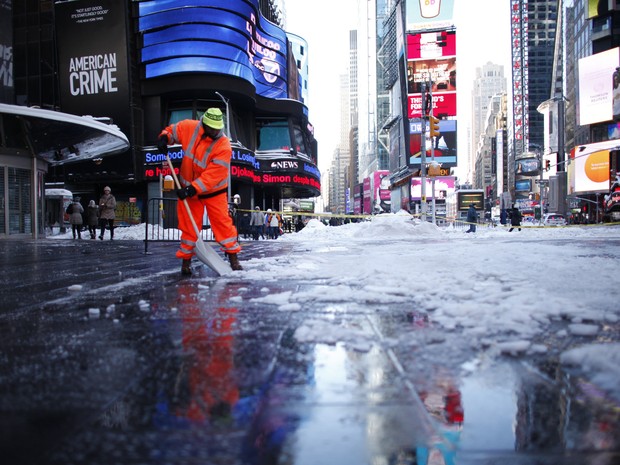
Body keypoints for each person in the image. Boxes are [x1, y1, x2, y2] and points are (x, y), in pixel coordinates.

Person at [157, 107, 242, 274]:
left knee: (223, 225)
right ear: (204, 123)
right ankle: (186, 263)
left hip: (214, 192)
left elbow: (213, 175)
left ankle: (233, 258)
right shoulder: (190, 127)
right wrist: (164, 138)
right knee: (188, 227)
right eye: (212, 128)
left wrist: (192, 189)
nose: (215, 131)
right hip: (188, 190)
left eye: (218, 129)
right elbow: (173, 131)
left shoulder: (224, 146)